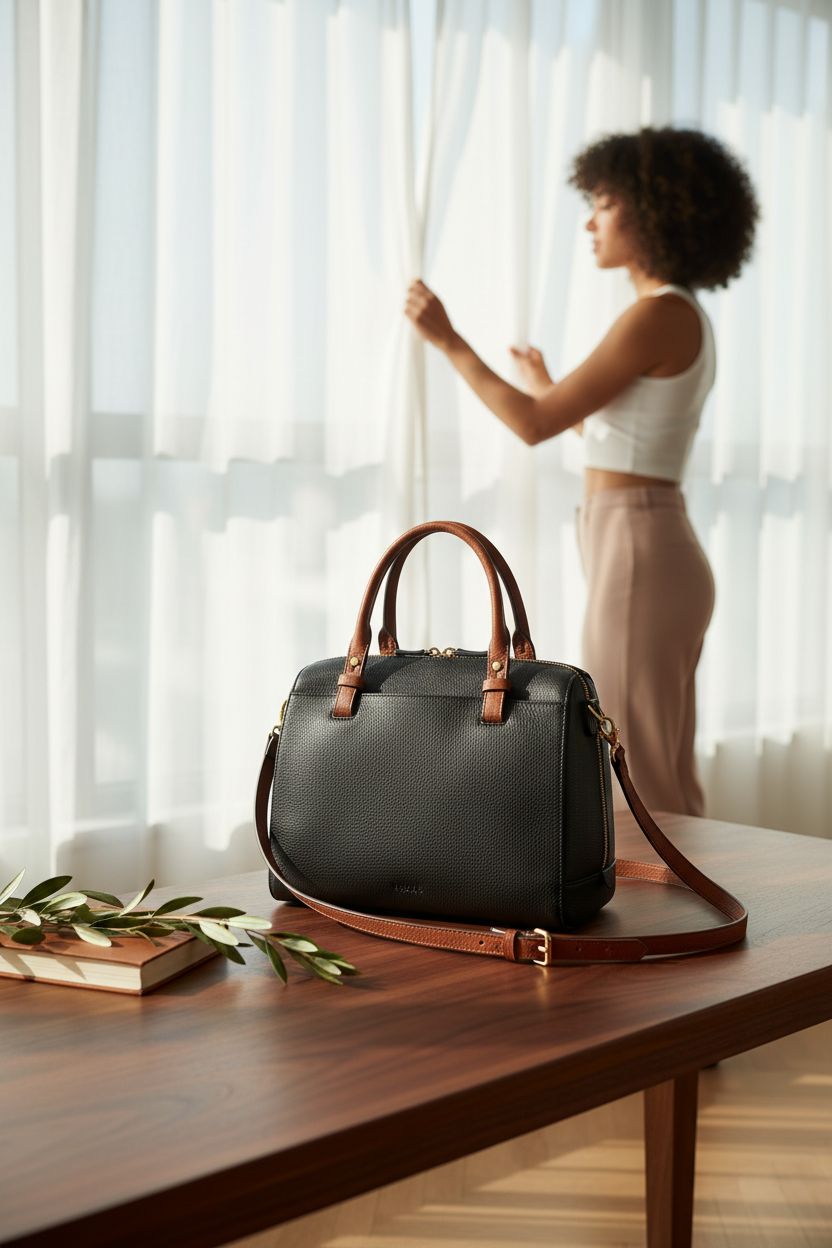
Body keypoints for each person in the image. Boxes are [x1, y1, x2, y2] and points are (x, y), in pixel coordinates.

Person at [403, 124, 759, 816]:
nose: (590, 222)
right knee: (661, 770)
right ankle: (698, 915)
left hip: (640, 552)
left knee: (635, 771)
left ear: (654, 210)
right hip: (647, 546)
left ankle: (674, 919)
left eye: (603, 202)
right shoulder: (677, 315)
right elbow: (618, 431)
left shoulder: (655, 315)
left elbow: (536, 426)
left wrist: (450, 342)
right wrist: (545, 381)